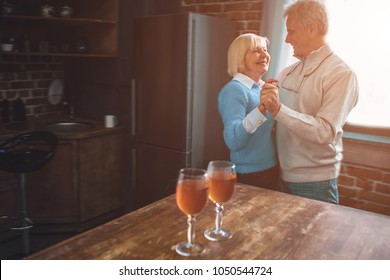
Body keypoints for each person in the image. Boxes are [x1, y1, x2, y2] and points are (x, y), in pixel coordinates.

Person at [260, 0, 359, 203]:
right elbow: (280, 121)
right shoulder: (286, 73)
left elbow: (325, 132)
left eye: (292, 31)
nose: (287, 39)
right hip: (280, 177)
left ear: (311, 28)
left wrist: (278, 109)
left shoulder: (341, 74)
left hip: (316, 186)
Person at [218, 33, 278, 190]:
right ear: (240, 57)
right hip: (250, 176)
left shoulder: (264, 88)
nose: (265, 55)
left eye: (265, 50)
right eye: (256, 51)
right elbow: (234, 141)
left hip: (272, 170)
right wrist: (261, 110)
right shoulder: (234, 90)